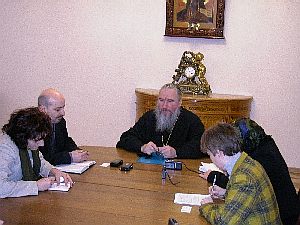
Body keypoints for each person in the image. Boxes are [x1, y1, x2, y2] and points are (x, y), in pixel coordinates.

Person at [200, 118, 300, 225]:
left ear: (219, 153)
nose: (211, 159)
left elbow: (224, 222)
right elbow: (249, 197)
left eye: (210, 154)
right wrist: (226, 193)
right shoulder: (246, 161)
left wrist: (207, 206)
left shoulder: (243, 178)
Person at [116, 83, 205, 159]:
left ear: (179, 103)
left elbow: (202, 147)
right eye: (161, 100)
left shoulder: (191, 120)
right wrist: (142, 147)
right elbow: (125, 138)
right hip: (149, 172)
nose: (164, 106)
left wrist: (176, 152)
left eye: (170, 101)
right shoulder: (149, 117)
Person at [0, 107, 73, 198]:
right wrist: (36, 186)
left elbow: (39, 162)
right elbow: (1, 187)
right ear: (22, 136)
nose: (41, 144)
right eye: (37, 140)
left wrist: (53, 171)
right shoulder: (4, 148)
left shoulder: (28, 141)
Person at [38, 88, 89, 165]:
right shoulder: (32, 127)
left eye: (63, 108)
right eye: (57, 110)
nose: (63, 113)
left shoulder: (60, 121)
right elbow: (41, 159)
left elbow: (65, 141)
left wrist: (79, 152)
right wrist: (69, 157)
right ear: (43, 109)